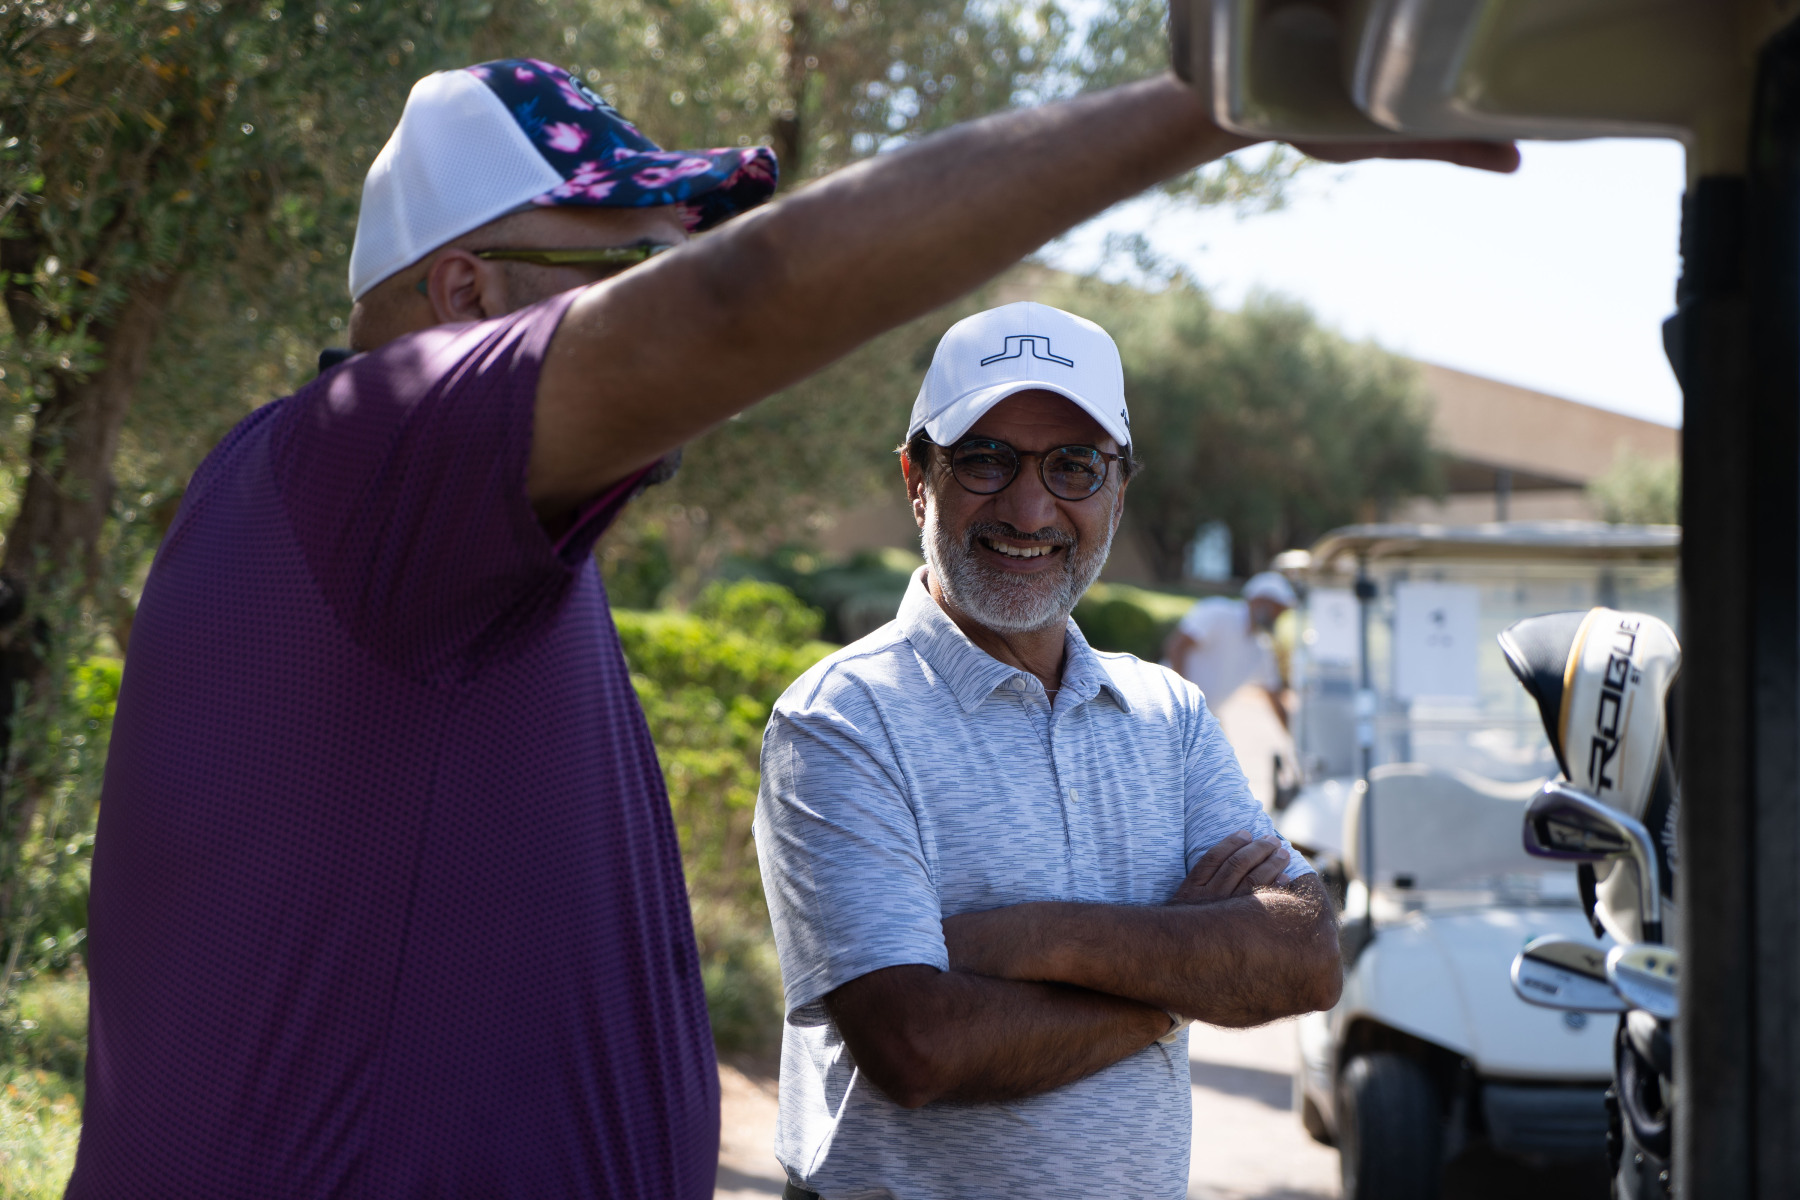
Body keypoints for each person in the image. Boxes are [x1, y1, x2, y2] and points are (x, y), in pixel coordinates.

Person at [69, 45, 1516, 1199]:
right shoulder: (376, 457)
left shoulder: (426, 539)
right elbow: (743, 304)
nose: (658, 313)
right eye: (623, 275)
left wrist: (1045, 951)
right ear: (464, 298)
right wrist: (1222, 105)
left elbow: (1297, 955)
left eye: (1076, 466)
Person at [753, 302, 1342, 1200]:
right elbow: (918, 1046)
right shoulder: (841, 720)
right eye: (985, 459)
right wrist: (1182, 969)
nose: (1030, 509)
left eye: (1073, 466)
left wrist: (1031, 937)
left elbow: (1305, 956)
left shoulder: (1169, 714)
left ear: (1118, 492)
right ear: (917, 479)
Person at [1166, 570, 1297, 727]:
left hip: (1197, 720)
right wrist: (1183, 703)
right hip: (1166, 707)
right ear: (1259, 601)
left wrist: (1297, 738)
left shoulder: (1261, 649)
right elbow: (1177, 647)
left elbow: (1275, 698)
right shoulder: (1218, 613)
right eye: (1277, 608)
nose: (1278, 616)